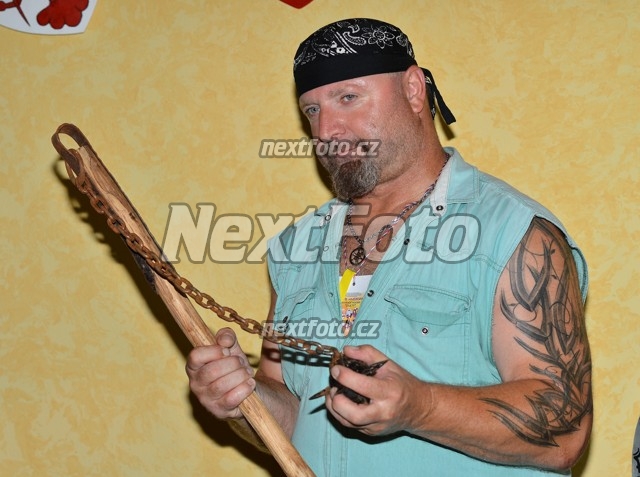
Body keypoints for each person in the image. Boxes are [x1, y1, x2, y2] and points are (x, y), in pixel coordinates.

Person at [186, 18, 592, 476]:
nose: (328, 130)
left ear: (414, 90)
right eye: (312, 110)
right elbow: (298, 419)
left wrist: (421, 406)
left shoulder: (514, 233)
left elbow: (565, 431)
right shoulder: (296, 247)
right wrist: (243, 399)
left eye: (348, 97)